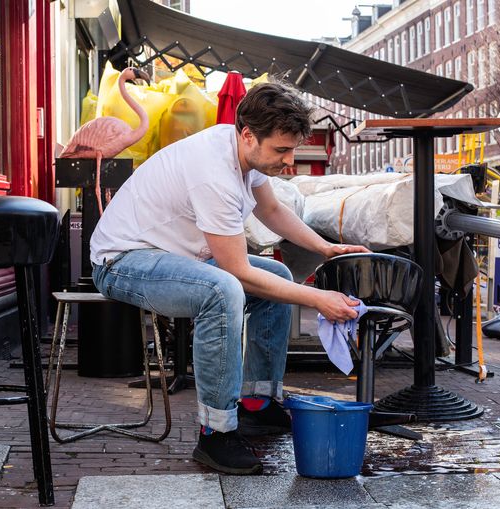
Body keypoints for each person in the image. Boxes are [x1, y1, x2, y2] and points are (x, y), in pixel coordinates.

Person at [89, 80, 369, 475]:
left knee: (277, 274)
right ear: (249, 135)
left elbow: (272, 210)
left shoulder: (240, 149)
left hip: (171, 256)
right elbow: (238, 272)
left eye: (292, 149)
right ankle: (216, 433)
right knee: (221, 292)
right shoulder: (213, 173)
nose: (289, 161)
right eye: (282, 150)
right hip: (121, 261)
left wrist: (325, 248)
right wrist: (318, 299)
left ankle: (257, 404)